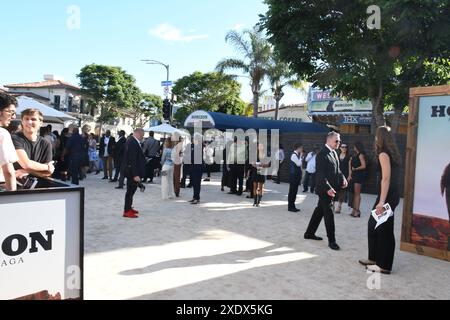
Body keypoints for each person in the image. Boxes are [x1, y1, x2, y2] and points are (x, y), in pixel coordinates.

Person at [360, 126, 401, 274]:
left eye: (376, 136)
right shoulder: (390, 153)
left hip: (387, 196)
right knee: (374, 225)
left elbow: (386, 178)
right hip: (389, 195)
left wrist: (381, 201)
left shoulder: (384, 154)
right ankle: (374, 258)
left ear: (380, 137)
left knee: (384, 229)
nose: (375, 139)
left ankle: (384, 266)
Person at [304, 132, 347, 251]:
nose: (339, 143)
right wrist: (328, 188)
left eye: (339, 141)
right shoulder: (322, 154)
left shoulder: (334, 152)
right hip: (325, 190)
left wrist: (342, 178)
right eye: (336, 141)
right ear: (329, 140)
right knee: (329, 213)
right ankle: (332, 240)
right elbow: (320, 174)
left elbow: (337, 169)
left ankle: (309, 233)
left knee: (319, 210)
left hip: (332, 189)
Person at [12, 108, 54, 179]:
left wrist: (28, 171)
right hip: (16, 183)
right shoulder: (14, 138)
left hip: (38, 187)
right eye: (26, 119)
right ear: (22, 122)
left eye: (33, 119)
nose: (29, 122)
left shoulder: (46, 143)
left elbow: (47, 173)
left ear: (41, 123)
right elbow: (26, 164)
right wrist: (47, 167)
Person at [122, 128, 146, 218]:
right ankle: (127, 211)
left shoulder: (132, 141)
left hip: (132, 171)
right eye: (142, 135)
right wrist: (135, 174)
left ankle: (129, 207)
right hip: (132, 172)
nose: (142, 137)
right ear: (138, 133)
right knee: (130, 191)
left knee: (132, 190)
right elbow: (132, 160)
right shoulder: (132, 142)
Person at [0, 92, 18, 191]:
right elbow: (9, 172)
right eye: (10, 112)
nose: (14, 116)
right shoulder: (2, 134)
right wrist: (12, 198)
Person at [348, 142, 367, 218]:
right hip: (354, 175)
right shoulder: (355, 155)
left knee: (357, 194)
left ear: (358, 147)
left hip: (359, 176)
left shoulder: (361, 155)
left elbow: (364, 166)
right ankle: (354, 210)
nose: (354, 148)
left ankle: (357, 211)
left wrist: (355, 169)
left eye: (355, 146)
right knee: (354, 193)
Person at [251, 142, 271, 207]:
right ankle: (254, 201)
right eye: (259, 146)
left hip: (262, 172)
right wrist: (255, 165)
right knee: (255, 186)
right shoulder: (254, 154)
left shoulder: (266, 155)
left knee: (261, 187)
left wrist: (263, 165)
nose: (260, 148)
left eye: (261, 146)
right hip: (255, 171)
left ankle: (258, 201)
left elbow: (269, 164)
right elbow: (252, 163)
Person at [288, 143, 304, 212]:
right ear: (298, 148)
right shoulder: (294, 155)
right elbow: (298, 164)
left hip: (296, 176)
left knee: (294, 191)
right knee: (292, 191)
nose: (302, 150)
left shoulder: (297, 155)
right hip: (293, 176)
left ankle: (293, 206)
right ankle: (290, 207)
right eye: (301, 148)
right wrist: (301, 156)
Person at [336, 143, 351, 214]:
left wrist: (349, 175)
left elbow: (349, 167)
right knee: (335, 190)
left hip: (345, 175)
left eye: (345, 147)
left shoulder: (348, 157)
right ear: (340, 148)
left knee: (342, 191)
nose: (344, 148)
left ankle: (339, 206)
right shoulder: (336, 155)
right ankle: (333, 205)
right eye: (342, 147)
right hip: (337, 175)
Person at [189, 133, 204, 205]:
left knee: (197, 183)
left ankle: (197, 198)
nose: (193, 139)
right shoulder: (196, 146)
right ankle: (195, 197)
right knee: (194, 183)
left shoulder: (199, 146)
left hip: (197, 167)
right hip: (194, 167)